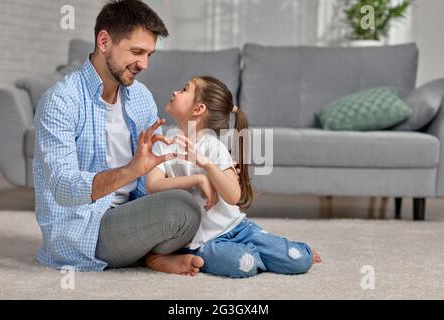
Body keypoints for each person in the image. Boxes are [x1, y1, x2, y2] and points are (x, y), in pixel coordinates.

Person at [33, 0, 206, 274]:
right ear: (104, 41)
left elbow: (151, 179)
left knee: (197, 199)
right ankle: (154, 254)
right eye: (137, 52)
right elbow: (63, 188)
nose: (144, 64)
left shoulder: (141, 97)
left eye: (150, 54)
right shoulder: (61, 101)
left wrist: (198, 174)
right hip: (85, 228)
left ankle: (152, 253)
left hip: (131, 211)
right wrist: (131, 170)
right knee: (181, 210)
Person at [146, 76, 322, 278]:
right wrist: (197, 179)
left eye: (185, 89)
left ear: (198, 109)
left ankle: (281, 251)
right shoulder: (164, 143)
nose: (176, 92)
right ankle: (265, 254)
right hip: (203, 241)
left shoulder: (214, 147)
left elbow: (233, 196)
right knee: (243, 264)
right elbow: (153, 185)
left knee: (299, 260)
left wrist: (205, 164)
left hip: (238, 229)